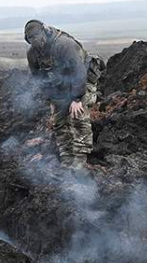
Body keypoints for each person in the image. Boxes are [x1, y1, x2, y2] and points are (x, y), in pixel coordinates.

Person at [24, 19, 104, 170]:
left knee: (78, 116)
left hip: (82, 80)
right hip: (60, 85)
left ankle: (80, 158)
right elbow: (38, 78)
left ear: (45, 32)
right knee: (59, 121)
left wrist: (77, 99)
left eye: (37, 36)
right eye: (31, 39)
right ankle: (67, 158)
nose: (35, 41)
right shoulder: (33, 53)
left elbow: (79, 72)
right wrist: (52, 97)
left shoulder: (64, 45)